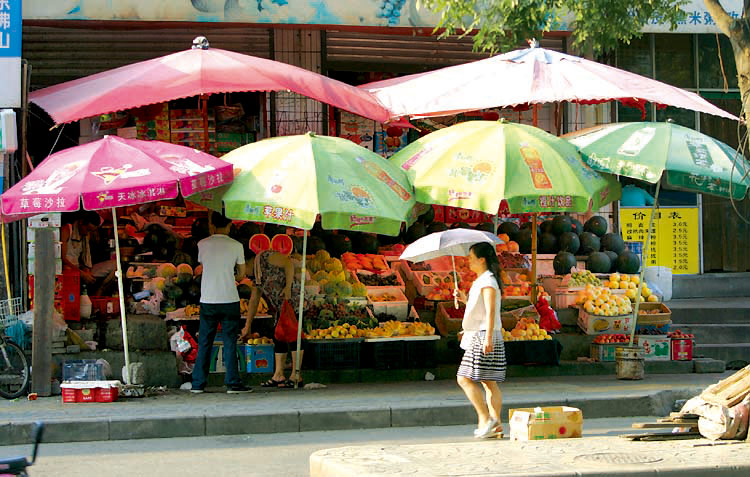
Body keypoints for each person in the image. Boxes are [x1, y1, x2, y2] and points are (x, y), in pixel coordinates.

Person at [191, 212, 251, 394]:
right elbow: (241, 274)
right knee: (230, 342)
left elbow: (203, 265)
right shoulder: (237, 246)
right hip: (229, 299)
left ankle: (198, 384)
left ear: (212, 225)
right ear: (230, 225)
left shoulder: (202, 244)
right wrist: (230, 275)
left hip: (208, 299)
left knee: (205, 342)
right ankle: (232, 382)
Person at [455, 241, 507, 439]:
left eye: (471, 257)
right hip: (486, 333)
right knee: (489, 382)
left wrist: (487, 338)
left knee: (464, 378)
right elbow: (483, 309)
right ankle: (496, 425)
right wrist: (464, 300)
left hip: (484, 334)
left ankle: (486, 418)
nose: (468, 261)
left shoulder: (487, 282)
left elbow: (491, 310)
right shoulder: (484, 280)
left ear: (482, 259)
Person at [243, 247, 307, 389]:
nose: (243, 274)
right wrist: (247, 326)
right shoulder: (257, 277)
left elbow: (288, 264)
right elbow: (254, 301)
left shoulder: (266, 257)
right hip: (280, 306)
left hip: (293, 301)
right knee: (279, 336)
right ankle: (278, 375)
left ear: (247, 262)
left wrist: (288, 287)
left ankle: (296, 375)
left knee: (293, 335)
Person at [61, 211, 116, 294]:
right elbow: (62, 258)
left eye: (90, 231)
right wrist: (82, 274)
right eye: (87, 229)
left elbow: (85, 259)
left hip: (80, 269)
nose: (87, 233)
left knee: (115, 265)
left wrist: (86, 270)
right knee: (67, 269)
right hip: (68, 270)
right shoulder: (67, 230)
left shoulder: (85, 236)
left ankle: (98, 293)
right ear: (81, 222)